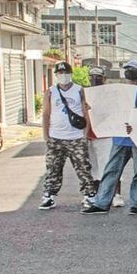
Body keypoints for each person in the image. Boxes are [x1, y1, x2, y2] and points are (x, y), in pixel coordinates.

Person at [81, 60, 137, 215]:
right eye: (127, 69)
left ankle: (136, 203)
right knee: (111, 170)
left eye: (131, 70)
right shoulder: (117, 90)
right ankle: (102, 202)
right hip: (119, 137)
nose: (129, 72)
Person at [39, 61, 98, 210]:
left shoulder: (79, 90)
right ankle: (49, 195)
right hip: (56, 137)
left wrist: (85, 134)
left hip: (76, 137)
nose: (63, 76)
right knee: (53, 167)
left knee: (83, 167)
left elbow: (86, 112)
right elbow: (46, 113)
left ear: (70, 74)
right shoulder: (51, 91)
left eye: (66, 73)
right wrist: (46, 135)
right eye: (60, 73)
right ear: (56, 75)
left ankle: (89, 195)